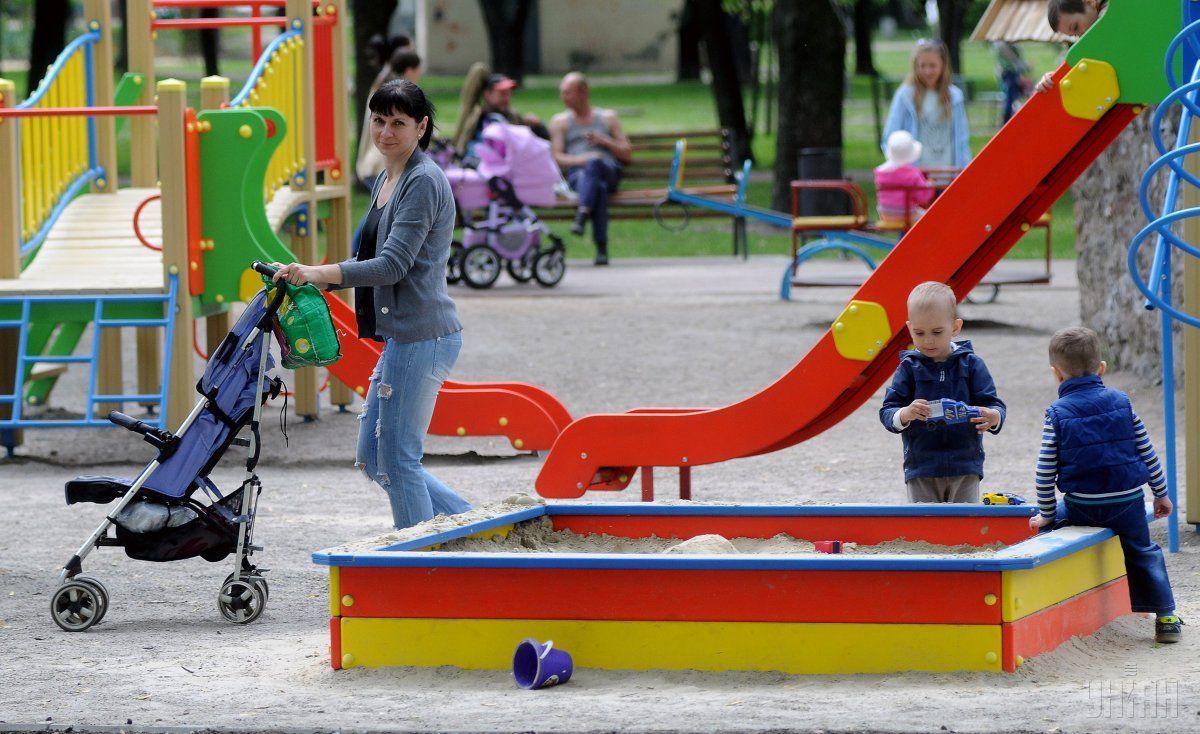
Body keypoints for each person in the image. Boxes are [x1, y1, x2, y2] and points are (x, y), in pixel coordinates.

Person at [271, 80, 470, 530]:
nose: (385, 132)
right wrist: (317, 276)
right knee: (373, 459)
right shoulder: (388, 175)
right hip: (404, 336)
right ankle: (472, 526)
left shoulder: (422, 181)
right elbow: (372, 258)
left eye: (398, 123)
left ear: (421, 127)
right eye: (378, 121)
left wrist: (322, 274)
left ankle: (420, 565)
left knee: (398, 461)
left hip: (424, 335)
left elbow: (392, 265)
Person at [1030, 327, 1182, 644]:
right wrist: (1161, 494)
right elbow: (1147, 451)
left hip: (1082, 505)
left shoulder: (1056, 414)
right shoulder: (1123, 403)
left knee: (1047, 526)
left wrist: (1046, 513)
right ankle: (1166, 616)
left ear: (1057, 375)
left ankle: (1055, 593)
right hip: (1127, 503)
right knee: (1145, 551)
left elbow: (1044, 471)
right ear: (1101, 368)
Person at [879, 282, 1005, 503]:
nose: (928, 340)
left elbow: (993, 404)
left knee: (964, 524)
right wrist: (905, 413)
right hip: (921, 465)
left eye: (937, 332)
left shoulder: (971, 364)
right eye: (919, 332)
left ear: (955, 328)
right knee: (924, 525)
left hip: (965, 463)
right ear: (909, 328)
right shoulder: (909, 367)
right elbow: (888, 411)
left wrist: (994, 417)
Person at [550, 72, 632, 265]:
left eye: (568, 93)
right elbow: (557, 158)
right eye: (562, 93)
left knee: (596, 164)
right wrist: (583, 159)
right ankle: (601, 247)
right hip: (579, 176)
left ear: (583, 92)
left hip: (608, 170)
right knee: (598, 187)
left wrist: (604, 141)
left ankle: (582, 214)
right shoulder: (560, 122)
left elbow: (627, 152)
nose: (563, 97)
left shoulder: (607, 118)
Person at [881, 39, 971, 170]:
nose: (927, 71)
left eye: (933, 66)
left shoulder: (955, 97)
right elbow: (890, 139)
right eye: (922, 66)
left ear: (943, 65)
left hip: (948, 175)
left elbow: (962, 140)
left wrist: (965, 171)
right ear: (915, 66)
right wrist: (901, 169)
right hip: (916, 179)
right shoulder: (905, 96)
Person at [356, 49, 422, 190]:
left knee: (383, 210)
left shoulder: (381, 89)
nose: (419, 75)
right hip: (382, 165)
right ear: (410, 71)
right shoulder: (396, 98)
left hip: (372, 163)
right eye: (418, 71)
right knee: (388, 210)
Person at [452, 69, 548, 155]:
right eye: (502, 94)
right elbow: (478, 70)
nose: (507, 98)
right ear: (487, 94)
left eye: (509, 94)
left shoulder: (514, 117)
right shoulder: (476, 116)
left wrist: (538, 126)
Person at [1035, 0, 1107, 94]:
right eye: (1074, 35)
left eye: (1076, 27)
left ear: (1089, 2)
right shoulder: (1093, 39)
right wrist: (1057, 77)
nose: (1080, 36)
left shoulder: (1111, 13)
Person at [874, 130, 934, 225]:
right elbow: (922, 197)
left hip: (885, 213)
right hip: (907, 214)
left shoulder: (881, 173)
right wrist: (930, 186)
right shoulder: (912, 173)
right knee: (929, 219)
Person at [991, 41, 1031, 123]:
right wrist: (1025, 65)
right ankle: (1007, 122)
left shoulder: (1008, 44)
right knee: (1009, 101)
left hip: (1012, 74)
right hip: (1009, 74)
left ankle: (1012, 121)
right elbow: (1012, 58)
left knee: (1013, 100)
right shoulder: (1001, 44)